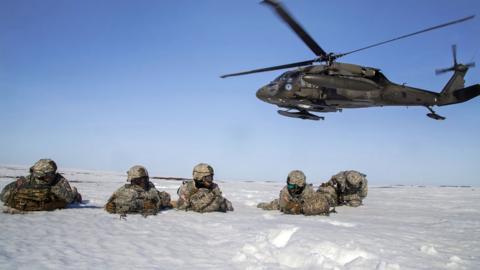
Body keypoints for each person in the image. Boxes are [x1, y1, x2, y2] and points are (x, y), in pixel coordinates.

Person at [1, 159, 82, 212]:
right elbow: (4, 194)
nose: (38, 177)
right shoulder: (29, 179)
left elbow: (68, 198)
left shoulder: (58, 180)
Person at [105, 165, 172, 216]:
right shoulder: (126, 191)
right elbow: (114, 204)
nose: (144, 181)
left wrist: (156, 204)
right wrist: (143, 205)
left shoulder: (150, 188)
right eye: (140, 179)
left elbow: (163, 197)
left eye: (146, 178)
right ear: (132, 180)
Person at [257, 170, 331, 215]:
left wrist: (301, 208)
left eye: (292, 186)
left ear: (299, 187)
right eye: (289, 185)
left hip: (305, 203)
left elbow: (323, 204)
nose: (289, 187)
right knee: (268, 206)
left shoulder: (308, 191)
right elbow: (284, 206)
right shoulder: (286, 191)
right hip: (279, 204)